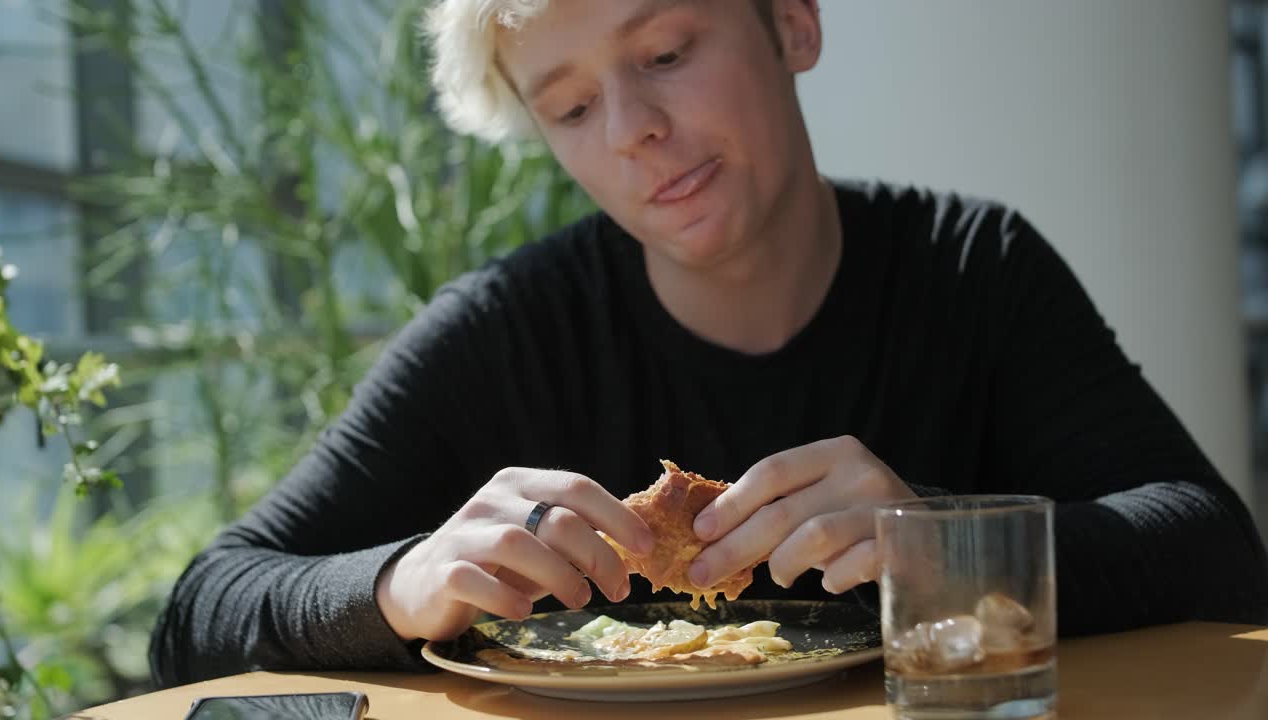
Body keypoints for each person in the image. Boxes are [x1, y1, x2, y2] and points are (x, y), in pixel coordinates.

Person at [149, 0, 1268, 686]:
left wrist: (933, 543)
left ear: (791, 21)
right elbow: (203, 609)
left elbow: (1211, 546)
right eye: (570, 107)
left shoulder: (969, 266)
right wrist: (401, 585)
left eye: (668, 51)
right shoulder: (506, 328)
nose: (632, 127)